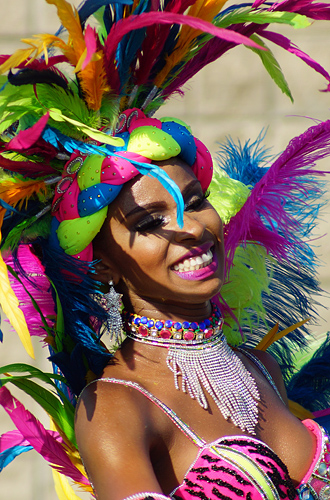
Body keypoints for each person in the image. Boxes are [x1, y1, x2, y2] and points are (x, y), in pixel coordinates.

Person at [1, 1, 330, 500]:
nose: (192, 229)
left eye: (194, 202)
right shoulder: (117, 407)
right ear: (105, 264)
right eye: (150, 222)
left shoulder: (260, 369)